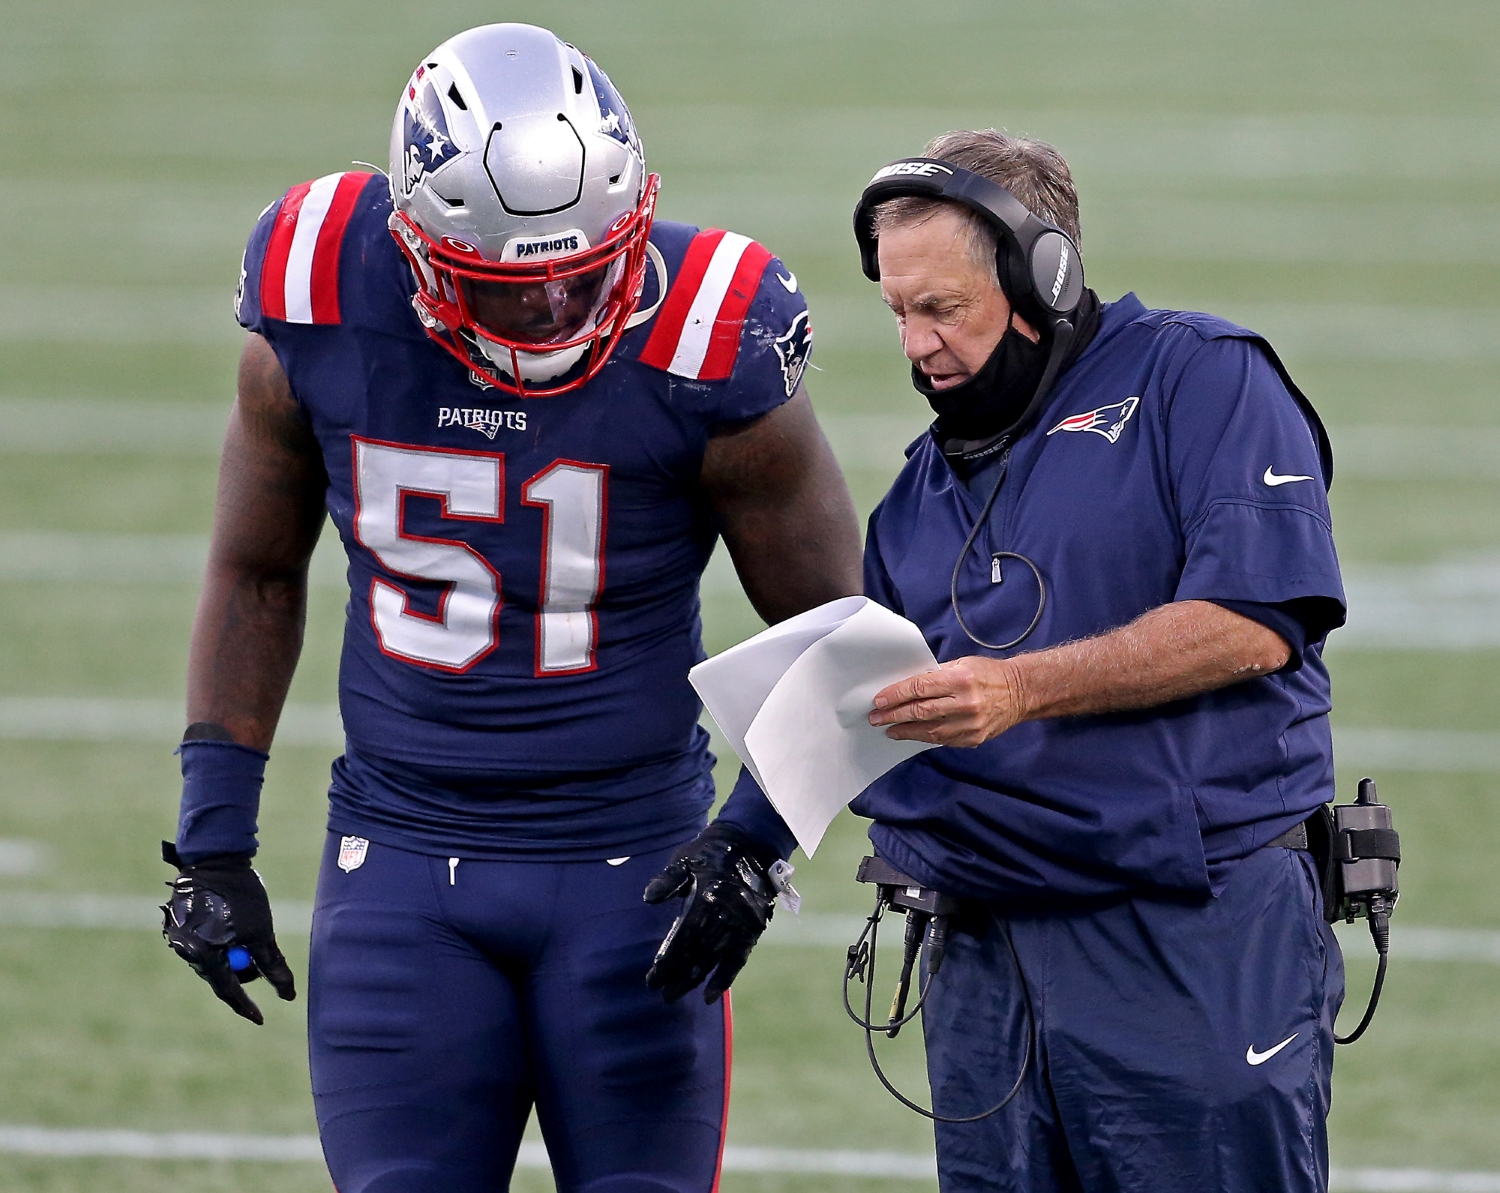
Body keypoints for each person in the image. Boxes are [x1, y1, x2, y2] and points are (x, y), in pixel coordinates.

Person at [158, 23, 862, 1193]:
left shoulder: (707, 324)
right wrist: (214, 838)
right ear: (417, 238)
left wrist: (755, 843)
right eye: (510, 288)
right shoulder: (320, 282)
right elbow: (255, 568)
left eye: (586, 274)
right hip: (400, 861)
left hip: (634, 868)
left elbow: (843, 637)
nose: (554, 313)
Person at [834, 130, 1348, 1192]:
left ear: (1043, 275)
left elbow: (1256, 616)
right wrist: (738, 846)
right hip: (984, 955)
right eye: (897, 310)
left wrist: (1018, 687)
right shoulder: (916, 497)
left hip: (1187, 937)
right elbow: (847, 707)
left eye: (941, 308)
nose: (916, 342)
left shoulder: (1199, 380)